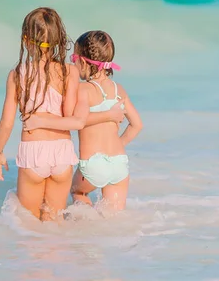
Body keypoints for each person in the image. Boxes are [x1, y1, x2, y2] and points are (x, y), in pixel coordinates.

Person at [0, 9, 124, 221]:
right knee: (55, 222)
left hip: (33, 152)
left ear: (26, 40)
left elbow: (6, 122)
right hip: (62, 153)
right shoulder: (69, 72)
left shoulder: (17, 75)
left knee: (29, 222)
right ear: (59, 40)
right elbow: (71, 117)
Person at [24, 30, 143, 211]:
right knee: (113, 219)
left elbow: (75, 120)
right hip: (119, 162)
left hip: (93, 165)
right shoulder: (119, 90)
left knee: (77, 192)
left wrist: (39, 120)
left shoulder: (84, 90)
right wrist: (118, 143)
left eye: (74, 58)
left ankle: (83, 231)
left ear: (84, 62)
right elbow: (137, 125)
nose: (72, 63)